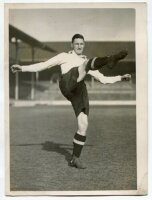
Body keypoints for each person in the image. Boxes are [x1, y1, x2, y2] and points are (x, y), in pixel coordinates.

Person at [11, 34, 131, 169]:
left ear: (84, 45)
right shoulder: (65, 56)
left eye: (81, 44)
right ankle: (110, 59)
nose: (79, 46)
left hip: (78, 90)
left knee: (83, 124)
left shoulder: (87, 62)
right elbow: (44, 65)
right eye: (77, 43)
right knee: (85, 65)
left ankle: (75, 159)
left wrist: (121, 78)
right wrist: (22, 68)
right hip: (67, 82)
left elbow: (103, 79)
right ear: (72, 45)